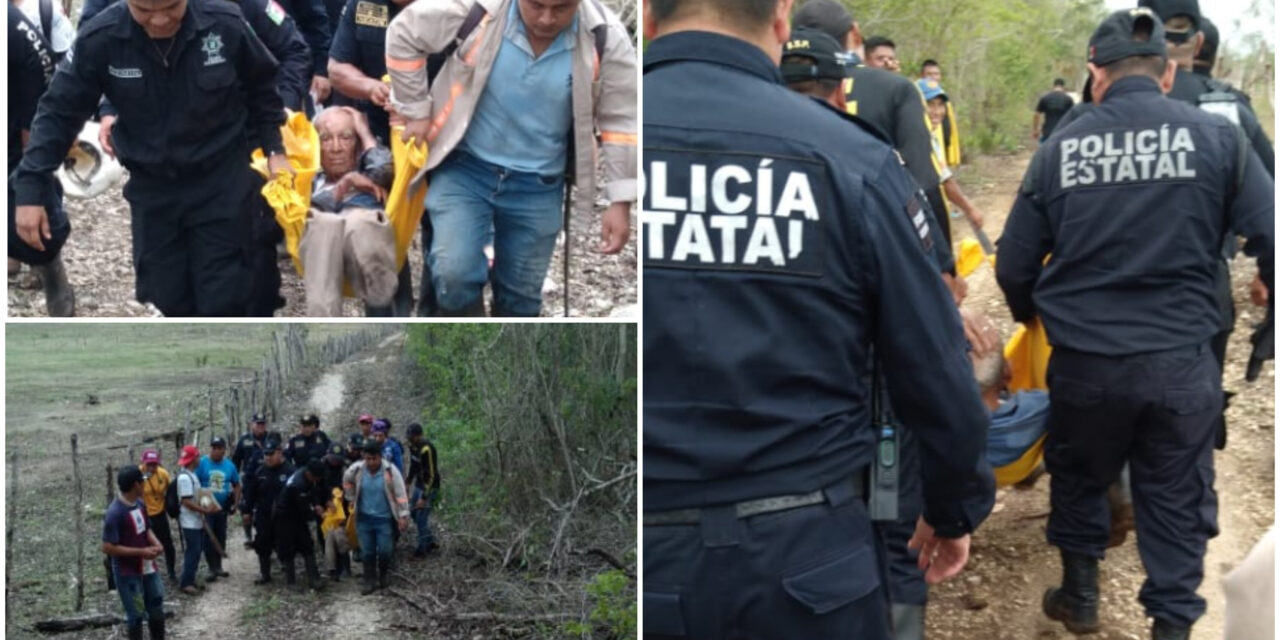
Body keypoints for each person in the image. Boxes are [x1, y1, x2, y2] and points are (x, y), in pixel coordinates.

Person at [642, 1, 996, 638]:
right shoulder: (850, 158)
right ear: (781, 17)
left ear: (645, 15)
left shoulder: (596, 146)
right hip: (807, 565)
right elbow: (936, 374)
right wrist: (952, 508)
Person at [994, 9, 1273, 640]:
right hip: (1181, 360)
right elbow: (1271, 233)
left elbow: (1013, 264)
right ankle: (1172, 625)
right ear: (1169, 73)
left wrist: (1029, 315)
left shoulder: (1060, 145)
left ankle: (1082, 594)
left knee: (1081, 472)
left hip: (1088, 361)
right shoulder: (1218, 138)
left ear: (1096, 75)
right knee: (1175, 493)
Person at [13, 0, 291, 317]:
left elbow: (263, 88)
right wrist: (31, 186)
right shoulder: (102, 37)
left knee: (232, 297)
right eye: (144, 11)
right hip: (155, 193)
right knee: (168, 297)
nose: (159, 20)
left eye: (172, 7)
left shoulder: (225, 23)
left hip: (224, 184)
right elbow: (57, 113)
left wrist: (275, 151)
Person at [386, 0, 637, 317]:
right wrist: (415, 110)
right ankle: (466, 343)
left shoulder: (605, 36)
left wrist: (621, 200)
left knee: (521, 296)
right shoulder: (477, 11)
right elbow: (404, 32)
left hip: (539, 184)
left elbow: (622, 120)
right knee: (453, 274)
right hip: (465, 169)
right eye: (536, 5)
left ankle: (508, 350)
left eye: (561, 8)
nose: (546, 18)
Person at [791, 0, 960, 297]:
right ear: (855, 33)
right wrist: (945, 267)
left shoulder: (770, 89)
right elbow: (924, 183)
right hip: (882, 254)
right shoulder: (896, 89)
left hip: (798, 255)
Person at [300, 107, 407, 316]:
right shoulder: (309, 180)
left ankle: (381, 313)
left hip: (364, 236)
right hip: (324, 238)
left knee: (360, 222)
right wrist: (340, 188)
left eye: (346, 137)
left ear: (357, 145)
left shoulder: (372, 175)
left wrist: (365, 133)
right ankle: (324, 330)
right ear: (315, 145)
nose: (336, 148)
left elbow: (385, 169)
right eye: (326, 139)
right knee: (324, 224)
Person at [8, 4, 74, 317]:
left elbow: (36, 117)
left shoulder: (16, 30)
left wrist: (32, 184)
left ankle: (49, 268)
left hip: (13, 133)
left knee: (35, 222)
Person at [102, 466, 167, 640]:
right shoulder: (115, 513)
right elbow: (108, 547)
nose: (145, 484)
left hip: (148, 569)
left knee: (156, 605)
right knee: (136, 613)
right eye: (143, 482)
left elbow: (146, 529)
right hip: (128, 574)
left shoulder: (139, 504)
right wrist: (141, 551)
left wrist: (156, 543)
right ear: (136, 485)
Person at [918, 79, 985, 231]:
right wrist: (969, 209)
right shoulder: (920, 137)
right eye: (930, 104)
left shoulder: (933, 135)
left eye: (940, 105)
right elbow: (946, 180)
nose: (937, 111)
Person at [343, 441, 409, 594]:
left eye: (374, 459)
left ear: (380, 457)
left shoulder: (391, 472)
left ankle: (384, 576)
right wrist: (351, 497)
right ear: (364, 457)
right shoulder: (356, 470)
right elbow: (346, 481)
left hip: (384, 519)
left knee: (385, 550)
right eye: (368, 459)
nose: (371, 462)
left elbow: (401, 495)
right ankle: (369, 580)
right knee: (367, 552)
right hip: (364, 519)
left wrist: (403, 516)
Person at [244, 440, 294, 584]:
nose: (268, 457)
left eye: (271, 454)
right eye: (266, 454)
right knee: (262, 544)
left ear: (280, 453)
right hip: (264, 515)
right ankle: (265, 574)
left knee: (286, 545)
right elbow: (250, 493)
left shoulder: (290, 471)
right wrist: (247, 511)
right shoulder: (260, 472)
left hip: (284, 516)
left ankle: (290, 576)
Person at [274, 459, 327, 590]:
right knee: (289, 548)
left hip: (297, 515)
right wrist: (318, 514)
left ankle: (314, 579)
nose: (318, 479)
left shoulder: (306, 473)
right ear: (310, 474)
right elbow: (304, 510)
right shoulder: (297, 485)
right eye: (316, 477)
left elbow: (312, 491)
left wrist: (317, 504)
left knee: (307, 545)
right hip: (285, 516)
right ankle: (291, 582)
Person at [195, 437, 240, 582]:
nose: (215, 450)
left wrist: (236, 503)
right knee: (208, 537)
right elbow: (195, 482)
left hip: (222, 507)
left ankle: (219, 565)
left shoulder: (229, 466)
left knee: (221, 535)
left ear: (223, 450)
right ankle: (211, 568)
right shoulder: (202, 463)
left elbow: (237, 484)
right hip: (206, 506)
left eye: (219, 448)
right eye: (213, 447)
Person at [175, 445, 216, 595]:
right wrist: (204, 510)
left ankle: (190, 579)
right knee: (193, 551)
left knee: (196, 551)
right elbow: (186, 501)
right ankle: (186, 582)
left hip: (195, 520)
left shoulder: (191, 475)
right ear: (194, 459)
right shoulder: (185, 478)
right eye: (198, 457)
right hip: (189, 521)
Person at [232, 414, 276, 548]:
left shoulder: (271, 439)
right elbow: (236, 460)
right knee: (246, 510)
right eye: (258, 424)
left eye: (262, 424)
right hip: (250, 480)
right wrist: (236, 478)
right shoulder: (244, 440)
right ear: (252, 425)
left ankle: (268, 535)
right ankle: (248, 536)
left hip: (268, 479)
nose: (260, 427)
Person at [138, 450, 178, 584]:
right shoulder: (138, 475)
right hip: (144, 515)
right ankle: (147, 574)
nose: (151, 467)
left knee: (168, 544)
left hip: (160, 514)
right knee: (145, 546)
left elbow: (171, 490)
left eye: (154, 464)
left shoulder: (163, 474)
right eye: (149, 464)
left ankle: (171, 572)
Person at [405, 422, 440, 557]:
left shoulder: (427, 449)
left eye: (413, 437)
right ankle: (429, 540)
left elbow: (431, 475)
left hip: (429, 487)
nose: (410, 439)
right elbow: (413, 465)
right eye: (409, 436)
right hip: (418, 484)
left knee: (421, 519)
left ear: (419, 436)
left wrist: (424, 497)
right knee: (413, 513)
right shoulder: (412, 446)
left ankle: (421, 551)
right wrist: (408, 481)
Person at [919, 58, 961, 167]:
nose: (933, 77)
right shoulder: (916, 96)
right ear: (922, 75)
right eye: (929, 74)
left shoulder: (943, 96)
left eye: (936, 74)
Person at [1034, 78, 1076, 143]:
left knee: (1045, 151)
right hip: (1062, 132)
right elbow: (1073, 116)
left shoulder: (1045, 98)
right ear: (1063, 87)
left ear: (1053, 86)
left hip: (1047, 132)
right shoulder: (1068, 99)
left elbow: (1037, 114)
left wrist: (1035, 130)